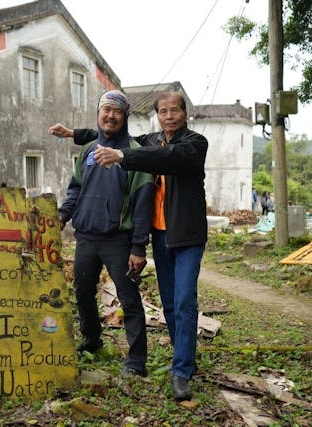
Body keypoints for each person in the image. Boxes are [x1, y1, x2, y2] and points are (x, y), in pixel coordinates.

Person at [49, 91, 208, 401]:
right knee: (170, 304)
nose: (169, 116)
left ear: (185, 114)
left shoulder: (194, 144)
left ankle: (179, 370)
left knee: (184, 300)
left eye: (175, 110)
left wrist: (122, 157)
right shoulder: (148, 141)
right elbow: (112, 136)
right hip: (160, 235)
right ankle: (182, 357)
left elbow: (163, 158)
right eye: (163, 111)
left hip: (185, 234)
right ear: (157, 116)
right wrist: (75, 135)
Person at [57, 90, 153, 378]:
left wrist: (138, 247)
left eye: (117, 111)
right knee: (83, 292)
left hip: (118, 240)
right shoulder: (87, 150)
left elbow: (142, 202)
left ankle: (136, 360)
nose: (110, 116)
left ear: (124, 117)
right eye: (105, 110)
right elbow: (75, 189)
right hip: (86, 236)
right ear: (98, 114)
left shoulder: (134, 153)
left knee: (129, 299)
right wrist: (63, 215)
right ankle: (92, 339)